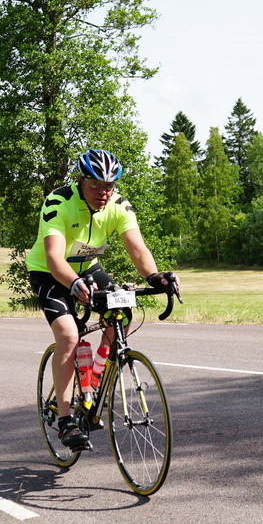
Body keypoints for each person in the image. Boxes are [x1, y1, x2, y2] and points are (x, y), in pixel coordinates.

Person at [26, 149, 179, 449]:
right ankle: (66, 420)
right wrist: (74, 283)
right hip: (49, 272)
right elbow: (55, 259)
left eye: (109, 186)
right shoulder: (58, 202)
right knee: (69, 336)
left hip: (89, 269)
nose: (103, 192)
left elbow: (137, 249)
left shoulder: (119, 205)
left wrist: (154, 276)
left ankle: (94, 379)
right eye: (96, 185)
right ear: (81, 181)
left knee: (122, 312)